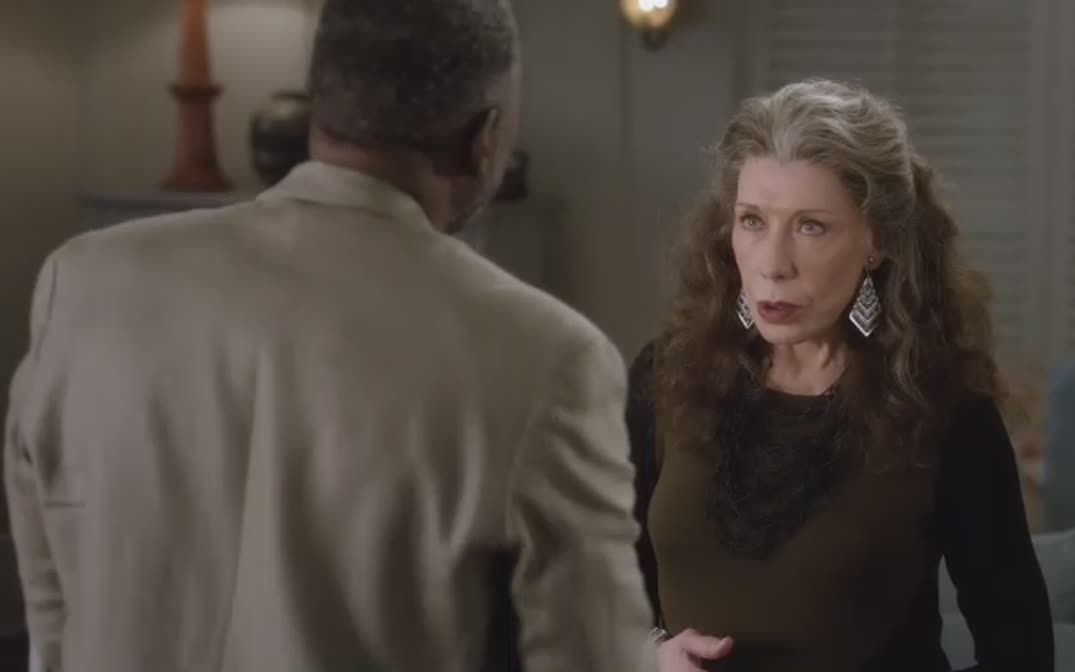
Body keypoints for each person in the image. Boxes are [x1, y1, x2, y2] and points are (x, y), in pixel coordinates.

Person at [4, 1, 655, 671]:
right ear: (484, 138)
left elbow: (50, 619)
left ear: (322, 101)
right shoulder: (548, 356)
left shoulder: (81, 284)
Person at [627, 79, 1055, 672]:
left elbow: (1021, 651)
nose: (773, 263)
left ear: (876, 240)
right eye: (752, 221)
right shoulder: (669, 373)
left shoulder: (942, 410)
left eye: (811, 226)